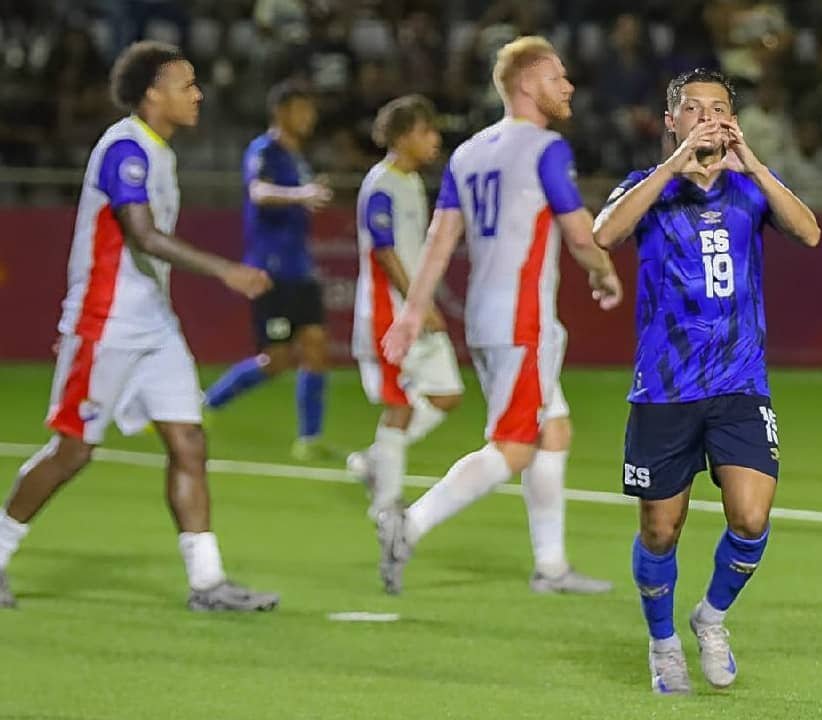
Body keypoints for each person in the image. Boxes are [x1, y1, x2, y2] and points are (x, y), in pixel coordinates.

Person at [0, 41, 279, 611]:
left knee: (189, 440)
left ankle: (207, 583)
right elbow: (142, 234)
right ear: (153, 92)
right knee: (73, 451)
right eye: (186, 84)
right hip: (106, 324)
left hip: (154, 323)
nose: (197, 94)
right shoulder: (124, 148)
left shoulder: (159, 152)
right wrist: (227, 270)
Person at [593, 68, 821, 694]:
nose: (706, 118)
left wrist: (750, 158)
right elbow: (604, 233)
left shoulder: (750, 190)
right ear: (671, 122)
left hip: (739, 383)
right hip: (665, 390)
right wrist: (673, 167)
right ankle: (663, 641)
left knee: (750, 517)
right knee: (660, 529)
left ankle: (711, 618)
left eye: (717, 108)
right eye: (692, 109)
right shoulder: (648, 187)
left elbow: (809, 232)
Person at [377, 36, 622, 596]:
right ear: (528, 83)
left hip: (488, 317)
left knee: (553, 430)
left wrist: (414, 313)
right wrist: (604, 271)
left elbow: (441, 239)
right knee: (514, 446)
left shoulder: (468, 153)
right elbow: (578, 230)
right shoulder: (544, 149)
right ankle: (407, 525)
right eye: (558, 76)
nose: (568, 86)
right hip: (522, 319)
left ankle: (552, 567)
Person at [203, 82, 336, 461]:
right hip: (271, 269)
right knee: (275, 361)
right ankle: (208, 402)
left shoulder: (299, 158)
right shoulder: (264, 150)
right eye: (301, 110)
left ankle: (310, 438)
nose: (309, 117)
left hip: (301, 267)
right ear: (281, 113)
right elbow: (258, 192)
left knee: (316, 349)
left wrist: (307, 196)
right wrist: (301, 195)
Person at [347, 95, 463, 519]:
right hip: (388, 313)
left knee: (447, 394)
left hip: (414, 308)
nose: (435, 140)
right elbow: (384, 252)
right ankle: (386, 505)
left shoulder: (411, 182)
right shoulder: (380, 185)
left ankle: (374, 462)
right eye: (426, 132)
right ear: (402, 137)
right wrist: (415, 306)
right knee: (399, 404)